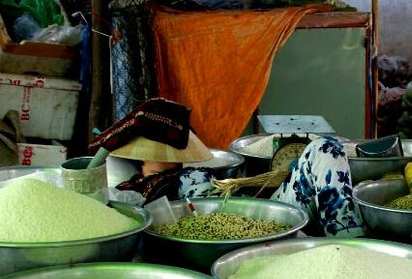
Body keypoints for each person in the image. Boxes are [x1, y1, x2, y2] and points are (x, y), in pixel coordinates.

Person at [108, 101, 363, 237]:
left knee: (325, 148)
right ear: (140, 159)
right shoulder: (127, 193)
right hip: (236, 238)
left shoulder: (195, 174)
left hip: (265, 221)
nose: (169, 154)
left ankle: (347, 242)